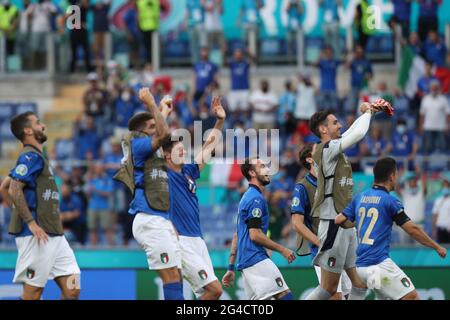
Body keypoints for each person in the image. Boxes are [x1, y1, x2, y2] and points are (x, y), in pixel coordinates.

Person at [305, 100, 392, 300]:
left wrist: (368, 113)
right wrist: (368, 112)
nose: (340, 125)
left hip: (346, 224)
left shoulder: (333, 147)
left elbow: (352, 131)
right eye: (335, 123)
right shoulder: (326, 149)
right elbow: (358, 134)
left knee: (359, 286)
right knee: (328, 288)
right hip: (332, 223)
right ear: (323, 129)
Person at [335, 157, 447, 300]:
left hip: (360, 269)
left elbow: (339, 220)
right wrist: (436, 246)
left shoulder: (360, 197)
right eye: (396, 174)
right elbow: (412, 229)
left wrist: (358, 223)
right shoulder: (390, 200)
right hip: (378, 265)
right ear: (392, 176)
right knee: (412, 297)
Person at [114, 89, 184, 300]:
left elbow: (159, 132)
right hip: (149, 218)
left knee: (176, 275)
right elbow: (163, 135)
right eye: (152, 126)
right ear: (142, 131)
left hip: (160, 218)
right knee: (171, 275)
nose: (158, 126)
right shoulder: (138, 144)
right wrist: (152, 104)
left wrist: (162, 109)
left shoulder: (147, 146)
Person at [6, 111, 80, 300]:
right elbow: (14, 188)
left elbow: (4, 186)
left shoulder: (37, 157)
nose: (43, 126)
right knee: (33, 293)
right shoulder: (30, 157)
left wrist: (15, 209)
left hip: (55, 233)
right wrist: (30, 222)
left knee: (73, 289)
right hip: (37, 235)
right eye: (38, 123)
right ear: (28, 130)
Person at [163, 96, 225, 300]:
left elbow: (208, 147)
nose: (183, 149)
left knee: (210, 293)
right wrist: (163, 113)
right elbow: (154, 142)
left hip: (198, 239)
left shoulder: (188, 170)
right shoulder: (166, 175)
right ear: (166, 156)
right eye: (178, 148)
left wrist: (219, 121)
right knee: (215, 289)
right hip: (181, 240)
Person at [221, 158, 296, 300]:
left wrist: (231, 268)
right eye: (262, 166)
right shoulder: (255, 199)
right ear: (252, 172)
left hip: (247, 261)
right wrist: (283, 249)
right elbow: (254, 235)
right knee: (285, 296)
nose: (267, 170)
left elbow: (238, 235)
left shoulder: (247, 197)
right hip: (255, 258)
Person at [291, 144, 351, 300]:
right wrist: (320, 243)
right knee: (335, 295)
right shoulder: (302, 187)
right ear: (310, 159)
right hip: (323, 250)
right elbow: (297, 223)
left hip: (343, 246)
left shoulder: (333, 181)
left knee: (350, 294)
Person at [419, 80, 450, 154]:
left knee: (443, 147)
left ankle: (444, 164)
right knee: (428, 148)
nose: (434, 89)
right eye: (432, 88)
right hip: (428, 127)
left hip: (441, 128)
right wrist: (421, 125)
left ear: (438, 88)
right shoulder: (425, 99)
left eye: (435, 88)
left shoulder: (443, 99)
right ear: (430, 88)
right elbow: (422, 114)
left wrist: (448, 126)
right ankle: (426, 165)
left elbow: (448, 114)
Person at [228, 47, 252, 114]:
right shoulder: (232, 64)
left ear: (242, 55)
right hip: (234, 90)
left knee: (245, 109)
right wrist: (225, 52)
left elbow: (253, 59)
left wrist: (249, 53)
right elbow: (224, 62)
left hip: (244, 89)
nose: (238, 56)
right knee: (233, 109)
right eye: (236, 54)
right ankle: (235, 123)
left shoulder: (245, 63)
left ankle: (243, 123)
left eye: (239, 54)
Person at [137, 0, 160, 65]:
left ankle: (149, 64)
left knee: (148, 48)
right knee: (151, 48)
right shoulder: (155, 1)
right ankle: (151, 64)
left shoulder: (141, 2)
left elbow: (138, 15)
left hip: (145, 27)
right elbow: (157, 14)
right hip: (153, 27)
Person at [432, 173, 450, 243]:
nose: (445, 188)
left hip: (448, 228)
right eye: (444, 186)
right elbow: (435, 215)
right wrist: (434, 230)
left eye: (447, 186)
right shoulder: (438, 200)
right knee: (441, 249)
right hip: (440, 229)